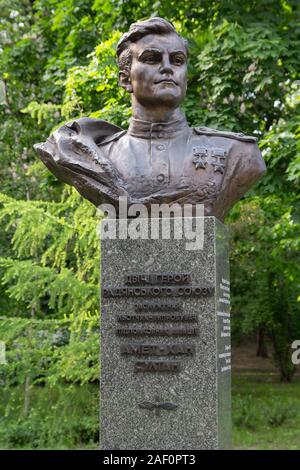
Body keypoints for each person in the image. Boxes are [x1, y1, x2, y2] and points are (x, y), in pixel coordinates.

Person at [35, 17, 266, 221]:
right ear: (125, 79)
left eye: (177, 60)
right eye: (152, 59)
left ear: (185, 78)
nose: (167, 68)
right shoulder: (98, 156)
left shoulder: (237, 154)